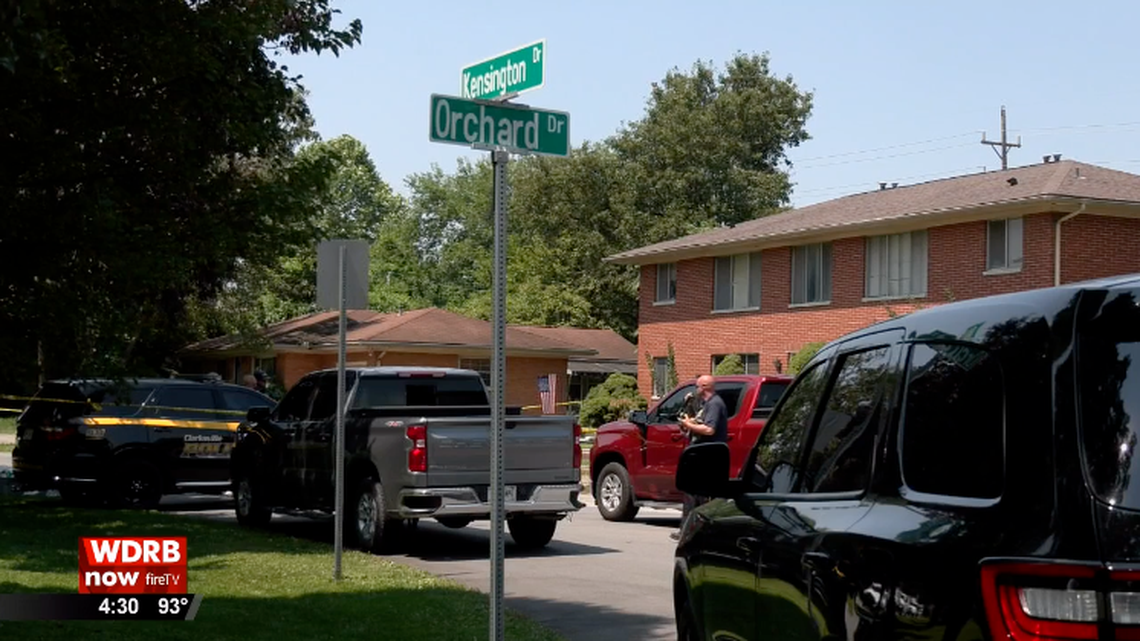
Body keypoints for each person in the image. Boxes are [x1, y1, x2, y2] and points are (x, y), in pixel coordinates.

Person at [670, 375, 728, 541]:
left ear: (704, 387)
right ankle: (690, 529)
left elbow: (710, 429)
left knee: (696, 491)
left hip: (707, 455)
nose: (695, 390)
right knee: (693, 493)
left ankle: (692, 530)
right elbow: (700, 422)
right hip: (700, 453)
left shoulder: (715, 404)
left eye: (697, 387)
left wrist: (689, 425)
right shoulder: (706, 404)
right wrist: (688, 421)